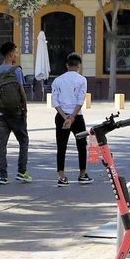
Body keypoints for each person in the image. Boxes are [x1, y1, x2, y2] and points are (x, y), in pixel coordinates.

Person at [0, 42, 31, 185]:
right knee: (23, 140)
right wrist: (25, 109)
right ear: (11, 53)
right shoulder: (17, 71)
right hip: (16, 112)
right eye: (16, 52)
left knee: (2, 144)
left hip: (1, 113)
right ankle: (22, 172)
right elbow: (22, 92)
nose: (17, 55)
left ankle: (3, 176)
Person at [51, 53, 91, 186]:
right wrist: (72, 117)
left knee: (61, 146)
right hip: (77, 116)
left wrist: (65, 117)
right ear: (78, 66)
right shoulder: (82, 80)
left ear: (67, 65)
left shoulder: (57, 80)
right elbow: (81, 100)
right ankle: (82, 174)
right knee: (81, 145)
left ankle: (61, 176)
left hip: (61, 116)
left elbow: (55, 101)